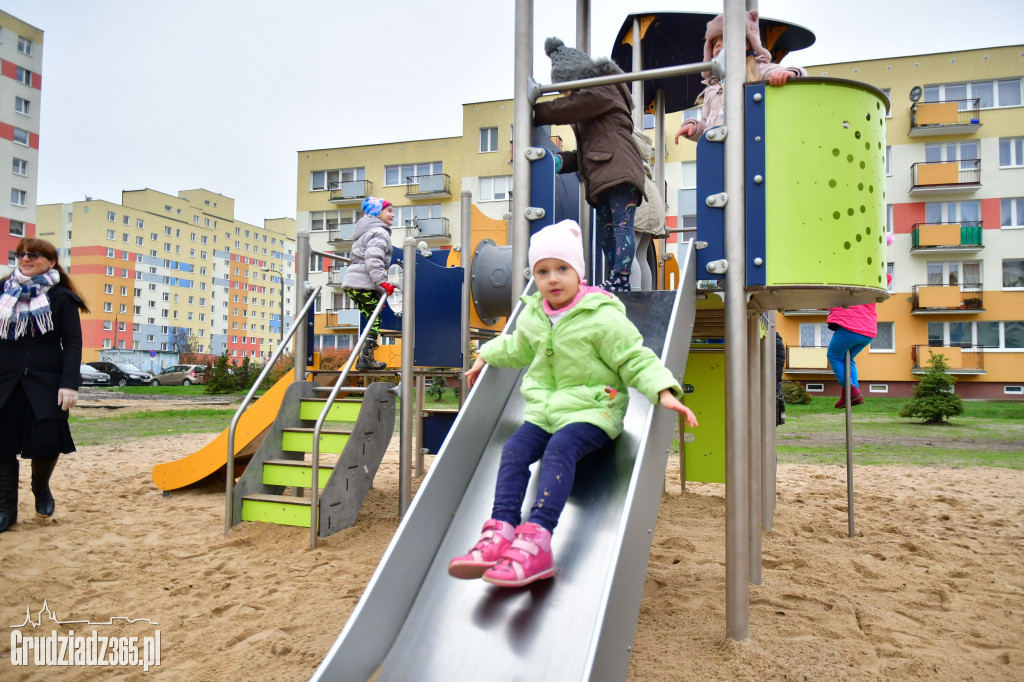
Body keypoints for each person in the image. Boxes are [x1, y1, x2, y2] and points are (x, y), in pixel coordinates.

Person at [448, 220, 698, 587]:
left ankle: (538, 537)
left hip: (594, 409)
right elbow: (517, 347)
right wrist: (486, 353)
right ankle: (501, 529)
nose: (553, 278)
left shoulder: (601, 315)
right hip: (545, 411)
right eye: (543, 271)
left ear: (578, 272)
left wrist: (662, 389)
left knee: (559, 450)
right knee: (514, 451)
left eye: (562, 269)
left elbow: (634, 357)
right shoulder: (534, 314)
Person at [533, 37, 647, 293]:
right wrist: (561, 161)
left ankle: (621, 279)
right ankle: (615, 279)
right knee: (607, 234)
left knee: (620, 227)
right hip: (604, 176)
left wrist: (533, 111)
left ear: (579, 77)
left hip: (620, 171)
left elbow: (570, 108)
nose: (565, 95)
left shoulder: (602, 89)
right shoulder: (593, 104)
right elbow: (589, 151)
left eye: (566, 88)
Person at [0, 238, 88, 533]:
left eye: (34, 255)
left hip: (47, 381)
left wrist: (70, 384)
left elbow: (73, 342)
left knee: (47, 441)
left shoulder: (61, 297)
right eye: (21, 254)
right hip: (5, 380)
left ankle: (41, 487)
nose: (26, 258)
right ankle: (5, 507)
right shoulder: (2, 291)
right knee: (2, 446)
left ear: (50, 262)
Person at [674, 10, 806, 145]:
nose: (718, 44)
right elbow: (707, 124)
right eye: (714, 43)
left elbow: (799, 75)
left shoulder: (757, 68)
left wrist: (790, 73)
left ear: (746, 43)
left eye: (724, 38)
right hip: (719, 149)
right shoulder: (712, 88)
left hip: (750, 144)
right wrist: (693, 127)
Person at [341, 196, 396, 371]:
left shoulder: (364, 232)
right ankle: (365, 358)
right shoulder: (380, 232)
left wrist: (378, 292)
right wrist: (383, 283)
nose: (393, 215)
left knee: (373, 315)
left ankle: (365, 357)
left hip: (353, 283)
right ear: (377, 213)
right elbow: (373, 259)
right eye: (389, 210)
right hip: (362, 283)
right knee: (375, 320)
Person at [630, 129, 667, 291]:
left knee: (629, 254)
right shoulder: (644, 168)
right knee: (641, 255)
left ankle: (635, 296)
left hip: (639, 200)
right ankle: (645, 296)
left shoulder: (631, 167)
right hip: (651, 198)